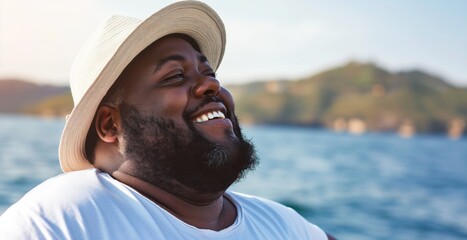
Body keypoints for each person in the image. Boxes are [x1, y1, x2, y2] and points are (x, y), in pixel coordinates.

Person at [0, 1, 335, 239]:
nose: (213, 84)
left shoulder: (285, 225)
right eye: (175, 75)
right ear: (109, 126)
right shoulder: (61, 220)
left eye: (209, 72)